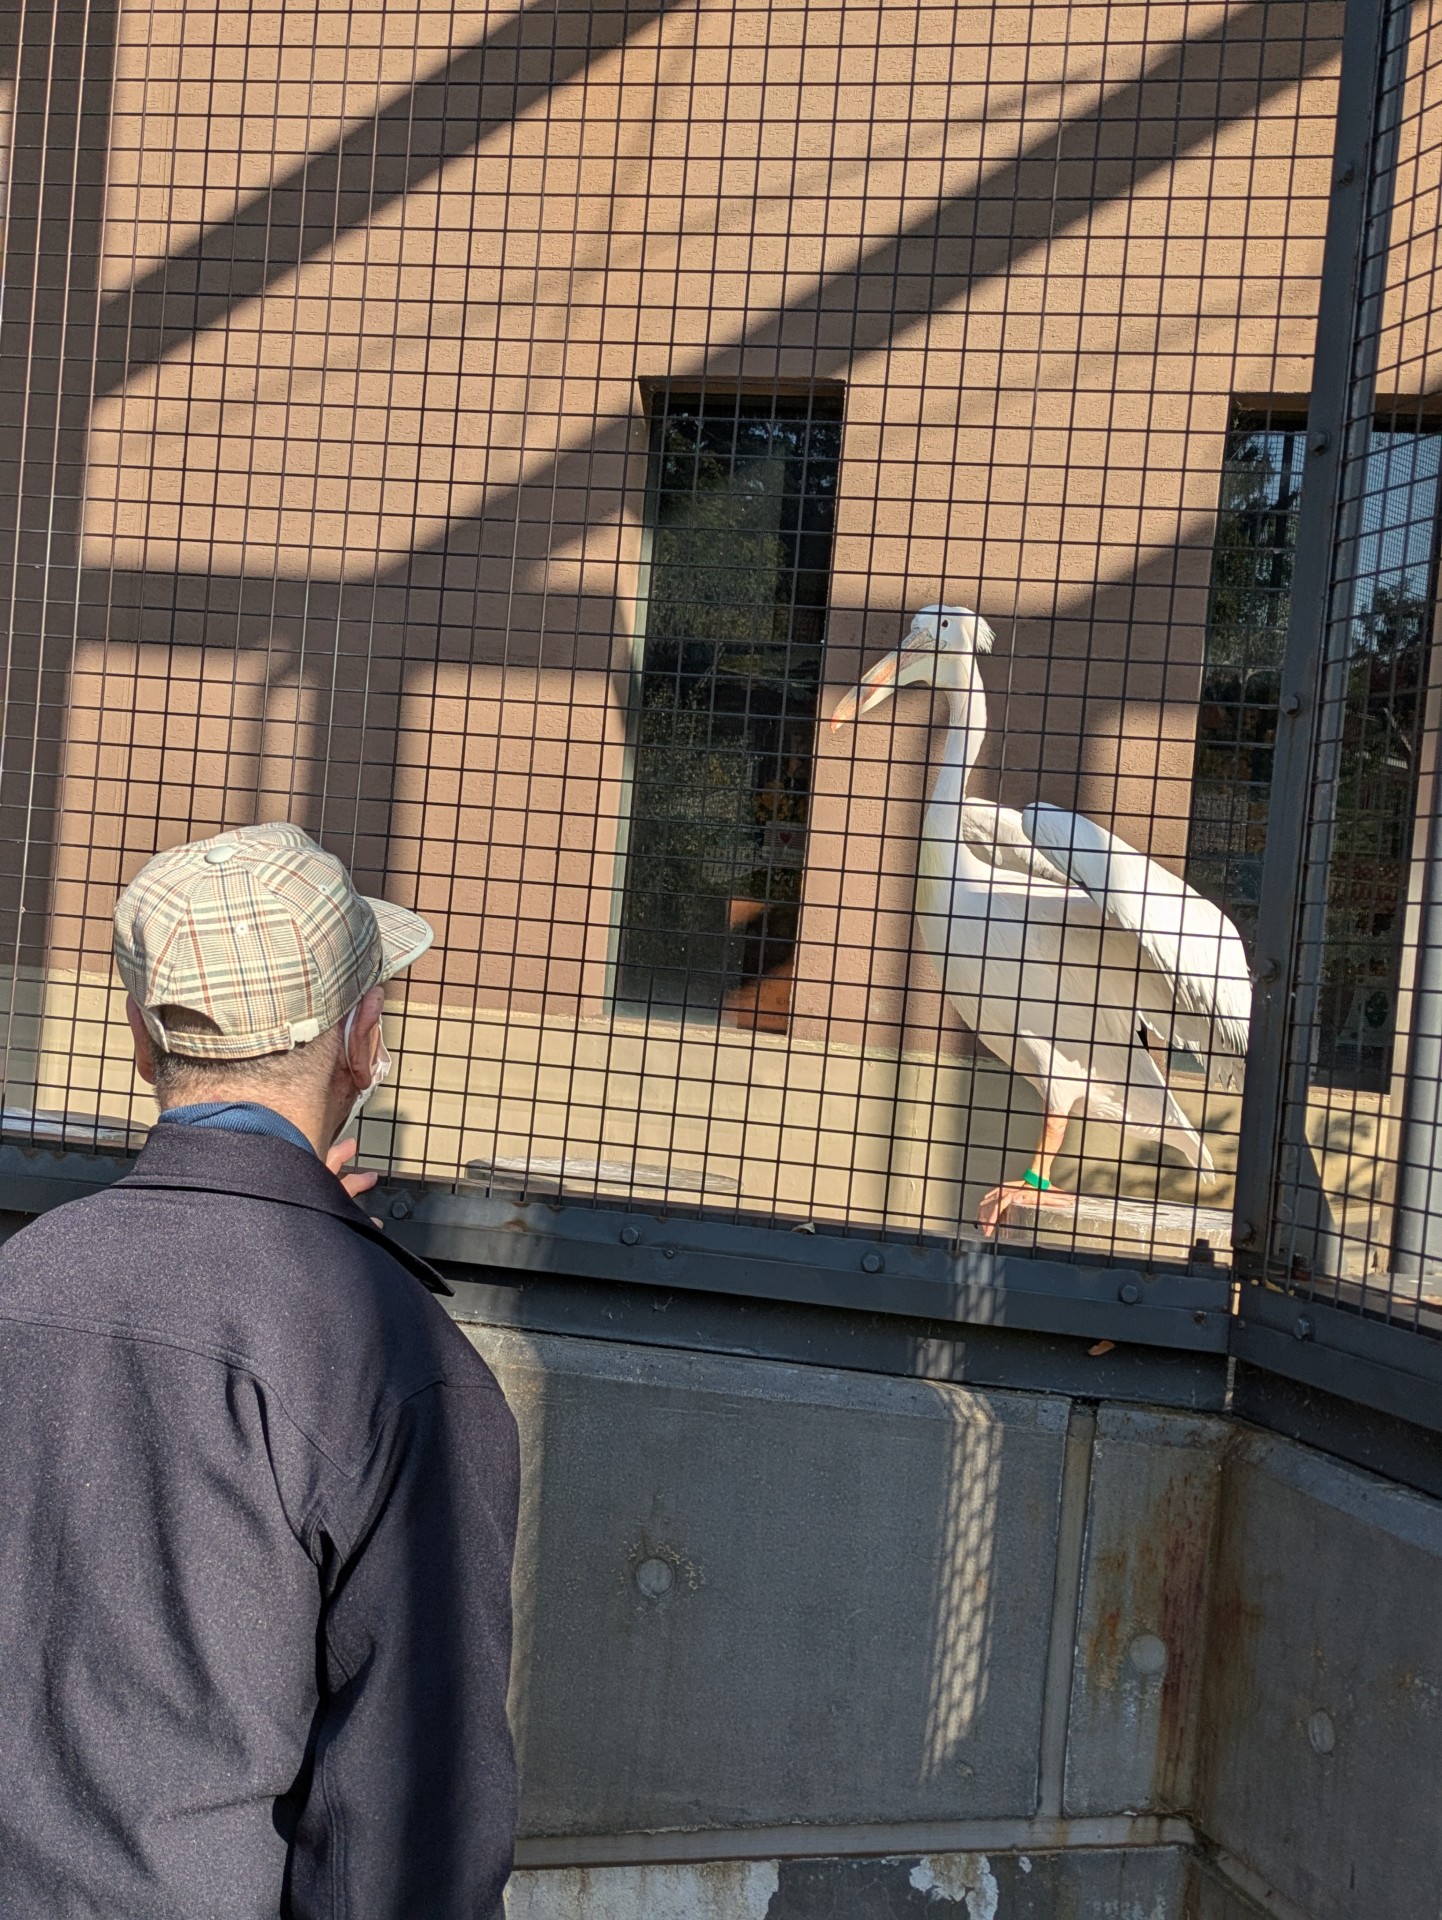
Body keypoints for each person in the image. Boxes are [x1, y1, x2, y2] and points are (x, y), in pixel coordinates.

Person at [0, 822, 520, 1918]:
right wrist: (307, 1253)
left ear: (143, 1038)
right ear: (362, 1038)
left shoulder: (22, 1279)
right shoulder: (400, 1366)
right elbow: (406, 1841)